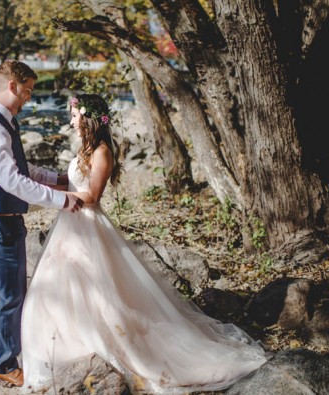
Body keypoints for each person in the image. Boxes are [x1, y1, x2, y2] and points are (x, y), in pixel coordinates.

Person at [21, 94, 268, 394]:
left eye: (74, 115)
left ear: (87, 119)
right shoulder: (85, 150)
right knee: (60, 286)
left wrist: (57, 200)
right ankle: (64, 349)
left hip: (86, 225)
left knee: (96, 291)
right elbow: (70, 180)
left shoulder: (102, 151)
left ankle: (108, 347)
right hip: (69, 224)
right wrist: (36, 178)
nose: (70, 120)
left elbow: (93, 196)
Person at [0, 59, 83, 387]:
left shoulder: (4, 123)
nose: (27, 100)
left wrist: (57, 179)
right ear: (13, 87)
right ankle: (3, 364)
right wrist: (63, 200)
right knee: (12, 294)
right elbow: (12, 182)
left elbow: (23, 168)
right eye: (28, 92)